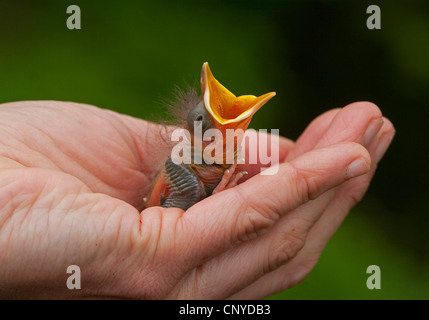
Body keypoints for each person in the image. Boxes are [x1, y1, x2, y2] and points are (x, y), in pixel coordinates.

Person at [0, 100, 395, 299]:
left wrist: (219, 187)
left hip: (183, 204)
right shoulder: (189, 159)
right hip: (177, 205)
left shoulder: (210, 154)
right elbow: (176, 181)